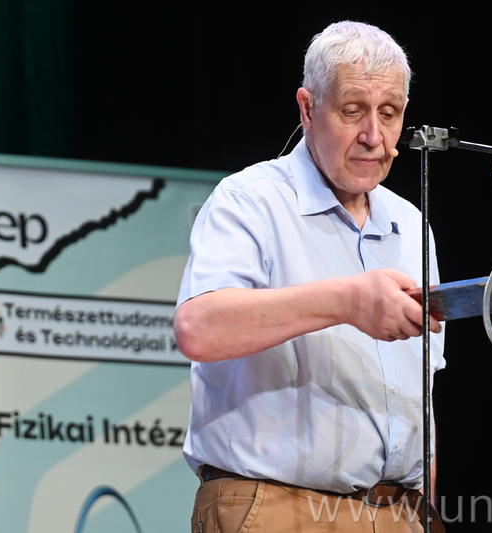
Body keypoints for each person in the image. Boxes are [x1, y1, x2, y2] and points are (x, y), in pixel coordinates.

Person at [174, 20, 446, 532]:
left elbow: (420, 396)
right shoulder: (250, 201)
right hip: (278, 507)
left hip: (399, 512)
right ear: (307, 108)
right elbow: (198, 328)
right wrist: (347, 301)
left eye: (389, 114)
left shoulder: (412, 225)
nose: (374, 136)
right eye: (352, 111)